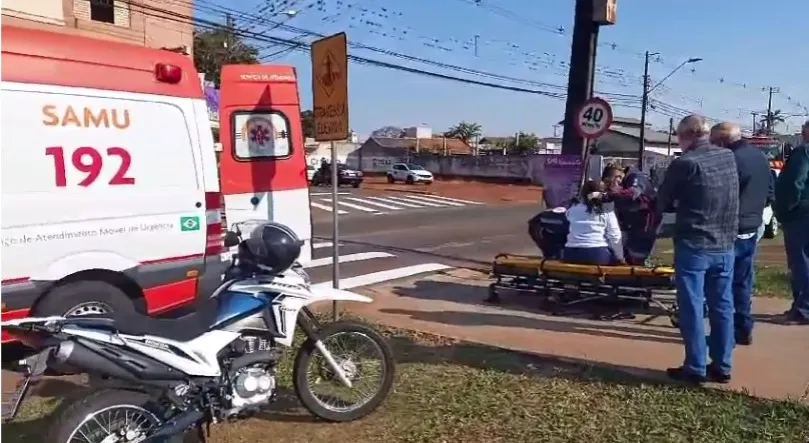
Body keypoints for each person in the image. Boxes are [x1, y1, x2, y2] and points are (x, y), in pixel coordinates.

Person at [656, 115, 739, 384]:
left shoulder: (685, 163)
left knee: (691, 306)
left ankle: (695, 366)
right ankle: (723, 365)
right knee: (722, 305)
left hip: (695, 244)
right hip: (725, 242)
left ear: (686, 136)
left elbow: (662, 201)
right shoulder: (728, 157)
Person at [710, 122, 773, 345]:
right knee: (743, 280)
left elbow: (719, 196)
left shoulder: (729, 160)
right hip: (752, 225)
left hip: (731, 228)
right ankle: (743, 326)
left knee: (722, 283)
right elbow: (769, 192)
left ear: (720, 141)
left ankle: (726, 333)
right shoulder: (759, 157)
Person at [774, 119, 809, 325]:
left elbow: (794, 182)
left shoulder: (804, 152)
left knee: (801, 262)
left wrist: (785, 209)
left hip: (802, 213)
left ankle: (803, 310)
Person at [602, 166, 661, 265]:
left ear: (618, 178)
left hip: (645, 223)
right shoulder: (625, 183)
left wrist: (608, 195)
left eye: (610, 183)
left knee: (637, 256)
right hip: (632, 223)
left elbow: (633, 193)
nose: (610, 187)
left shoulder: (635, 177)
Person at [562, 180, 625, 265]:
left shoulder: (572, 210)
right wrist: (620, 258)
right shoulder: (607, 211)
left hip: (570, 254)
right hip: (596, 254)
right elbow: (614, 236)